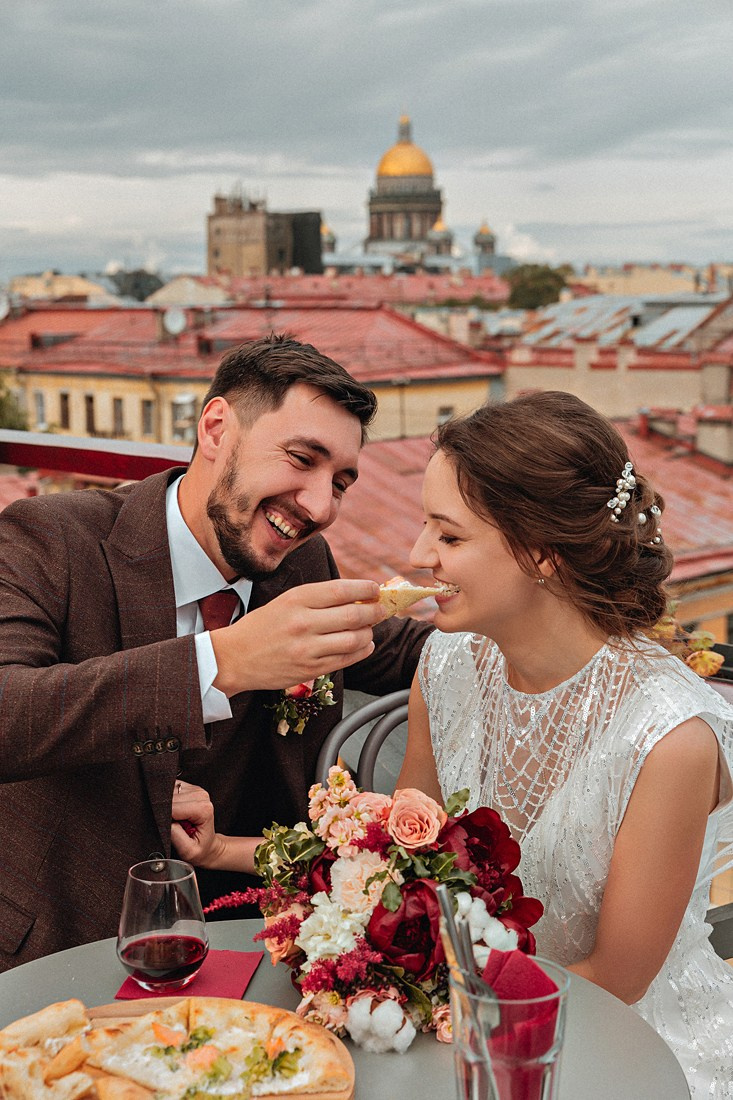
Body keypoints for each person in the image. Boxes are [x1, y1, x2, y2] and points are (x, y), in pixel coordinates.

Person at [0, 334, 430, 971]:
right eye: (300, 458)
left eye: (340, 482)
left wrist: (530, 632)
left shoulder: (301, 560)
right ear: (216, 427)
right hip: (59, 943)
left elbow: (388, 646)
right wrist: (223, 661)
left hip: (247, 942)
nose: (319, 506)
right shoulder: (49, 539)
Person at [392, 391, 733, 1097]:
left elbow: (617, 979)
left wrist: (429, 1010)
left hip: (625, 1045)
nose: (418, 555)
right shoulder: (446, 663)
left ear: (542, 553)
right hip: (458, 1023)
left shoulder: (668, 738)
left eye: (448, 537)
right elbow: (407, 860)